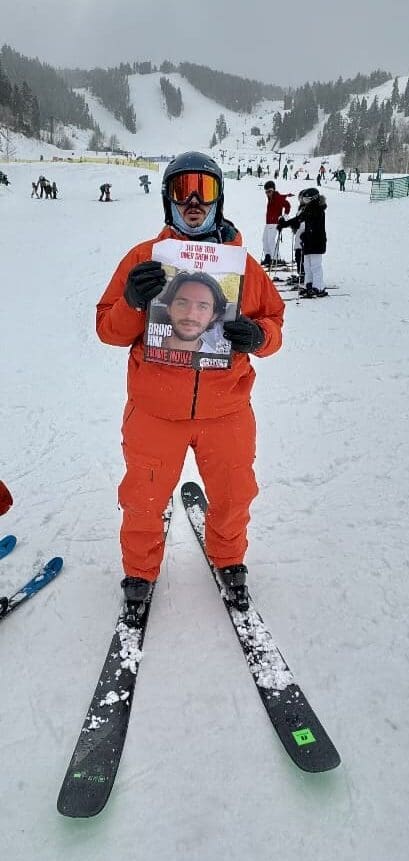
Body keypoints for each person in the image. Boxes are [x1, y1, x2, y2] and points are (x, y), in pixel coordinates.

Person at [96, 151, 284, 623]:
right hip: (156, 412)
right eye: (184, 190)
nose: (195, 200)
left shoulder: (243, 265)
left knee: (234, 492)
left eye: (206, 188)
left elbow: (274, 321)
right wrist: (134, 304)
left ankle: (229, 558)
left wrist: (258, 337)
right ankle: (139, 572)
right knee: (143, 498)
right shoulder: (144, 259)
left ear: (219, 197)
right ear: (169, 200)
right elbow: (108, 329)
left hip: (226, 411)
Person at [159, 272, 227, 353]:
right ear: (169, 308)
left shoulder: (215, 362)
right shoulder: (144, 344)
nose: (190, 315)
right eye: (182, 304)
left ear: (214, 316)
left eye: (202, 307)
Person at [278, 187, 327, 297]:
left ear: (312, 199)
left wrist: (306, 235)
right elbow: (297, 220)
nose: (304, 202)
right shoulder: (308, 209)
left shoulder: (318, 210)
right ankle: (308, 285)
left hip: (316, 243)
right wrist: (284, 224)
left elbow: (316, 228)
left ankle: (318, 287)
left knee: (315, 266)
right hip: (307, 243)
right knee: (307, 266)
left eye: (305, 200)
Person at [262, 180, 292, 267]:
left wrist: (284, 216)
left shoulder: (277, 197)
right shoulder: (271, 198)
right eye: (266, 192)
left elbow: (287, 205)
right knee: (264, 240)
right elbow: (283, 197)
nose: (268, 193)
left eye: (270, 191)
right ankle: (268, 257)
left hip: (274, 223)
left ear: (273, 190)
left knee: (271, 240)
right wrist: (287, 195)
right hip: (268, 223)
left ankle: (276, 258)